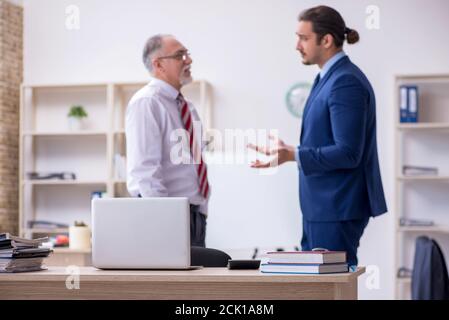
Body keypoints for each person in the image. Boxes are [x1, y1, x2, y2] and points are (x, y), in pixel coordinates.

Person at [248, 6, 387, 266]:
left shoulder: (345, 82)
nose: (296, 45)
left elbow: (348, 152)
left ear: (326, 40)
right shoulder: (327, 78)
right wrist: (291, 151)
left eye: (303, 38)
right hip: (322, 207)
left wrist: (294, 154)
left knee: (330, 289)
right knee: (315, 287)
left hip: (336, 206)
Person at [126, 34, 210, 247]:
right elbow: (145, 172)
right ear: (158, 65)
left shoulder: (187, 107)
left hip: (194, 216)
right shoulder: (147, 103)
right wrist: (164, 221)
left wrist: (201, 211)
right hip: (167, 218)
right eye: (180, 55)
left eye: (187, 54)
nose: (188, 60)